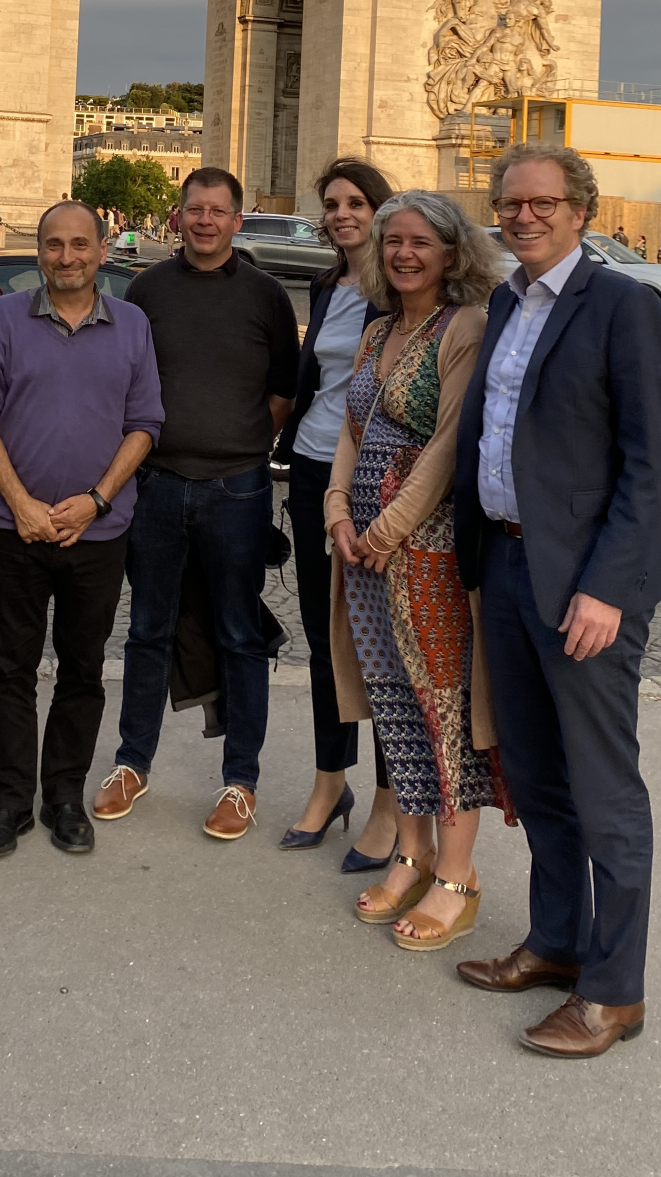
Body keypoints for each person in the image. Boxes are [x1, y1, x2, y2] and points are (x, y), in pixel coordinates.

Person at [452, 142, 661, 1058]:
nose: (524, 216)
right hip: (507, 571)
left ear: (581, 211)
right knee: (538, 779)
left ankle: (615, 992)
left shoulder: (627, 308)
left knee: (604, 789)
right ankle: (557, 942)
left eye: (544, 203)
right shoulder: (505, 301)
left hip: (583, 590)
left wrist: (605, 590)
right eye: (511, 203)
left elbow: (645, 471)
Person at [93, 167, 299, 840]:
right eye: (194, 210)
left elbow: (282, 391)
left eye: (218, 211)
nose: (205, 221)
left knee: (240, 634)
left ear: (238, 220)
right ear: (177, 218)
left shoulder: (267, 296)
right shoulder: (147, 290)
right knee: (148, 629)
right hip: (155, 484)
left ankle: (241, 781)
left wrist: (238, 442)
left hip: (236, 488)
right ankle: (132, 763)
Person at [325, 192, 507, 950]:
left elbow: (450, 443)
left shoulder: (463, 326)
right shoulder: (376, 330)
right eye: (391, 241)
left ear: (451, 252)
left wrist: (386, 530)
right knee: (394, 702)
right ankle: (411, 848)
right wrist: (338, 512)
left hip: (424, 550)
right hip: (364, 552)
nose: (403, 254)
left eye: (420, 243)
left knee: (444, 708)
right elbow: (350, 428)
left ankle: (458, 874)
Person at [0, 201, 163, 858]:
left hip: (97, 533)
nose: (66, 257)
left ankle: (65, 797)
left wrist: (96, 501)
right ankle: (10, 801)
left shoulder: (132, 325)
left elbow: (145, 424)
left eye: (80, 245)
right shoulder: (2, 318)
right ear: (39, 250)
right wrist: (20, 502)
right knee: (10, 669)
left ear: (103, 250)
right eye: (54, 245)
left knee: (81, 670)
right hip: (10, 525)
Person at [274, 158, 397, 865]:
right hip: (315, 470)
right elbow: (312, 382)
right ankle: (329, 783)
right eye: (332, 203)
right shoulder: (326, 286)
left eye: (357, 201)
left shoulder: (405, 289)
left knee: (376, 645)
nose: (343, 213)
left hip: (376, 478)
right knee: (324, 641)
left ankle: (388, 799)